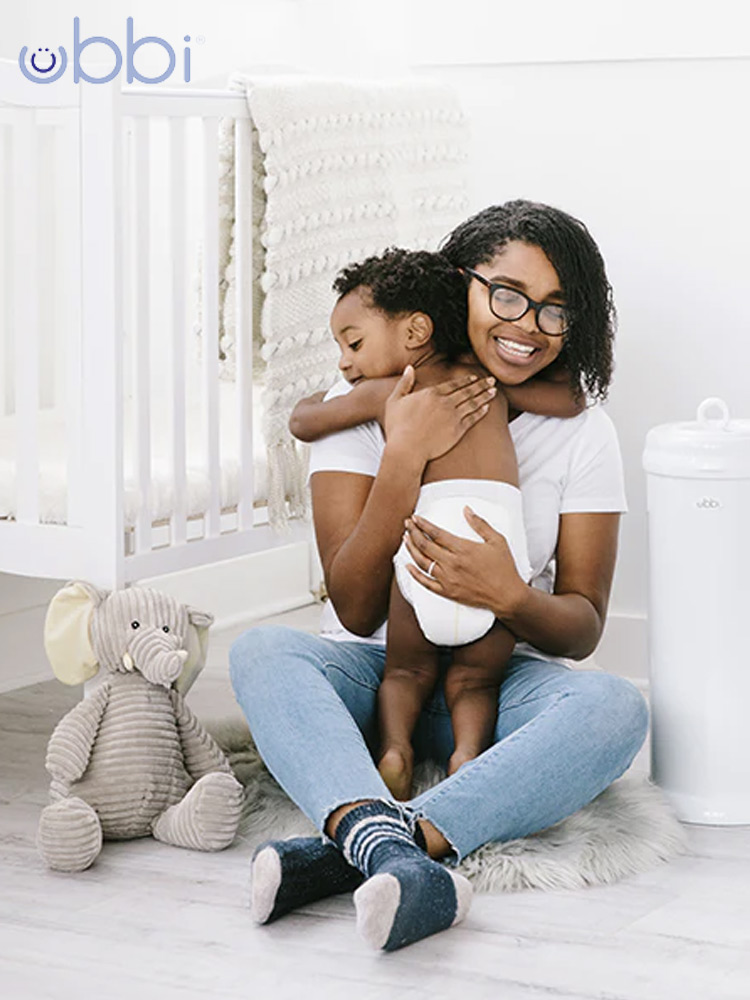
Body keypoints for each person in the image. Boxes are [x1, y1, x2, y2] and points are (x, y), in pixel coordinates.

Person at [230, 200, 649, 953]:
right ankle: (399, 844)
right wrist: (404, 454)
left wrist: (511, 596)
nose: (528, 327)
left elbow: (583, 626)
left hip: (497, 680)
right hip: (377, 667)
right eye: (508, 295)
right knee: (262, 655)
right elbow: (357, 609)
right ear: (458, 286)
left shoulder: (581, 431)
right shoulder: (359, 406)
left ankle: (369, 844)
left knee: (616, 709)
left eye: (556, 311)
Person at [288, 247, 584, 801]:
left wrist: (351, 402)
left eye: (353, 343)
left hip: (424, 550)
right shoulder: (488, 381)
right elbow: (572, 399)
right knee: (477, 680)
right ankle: (467, 755)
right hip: (494, 554)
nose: (345, 363)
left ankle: (395, 750)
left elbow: (305, 421)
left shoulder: (390, 392)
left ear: (416, 331)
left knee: (404, 674)